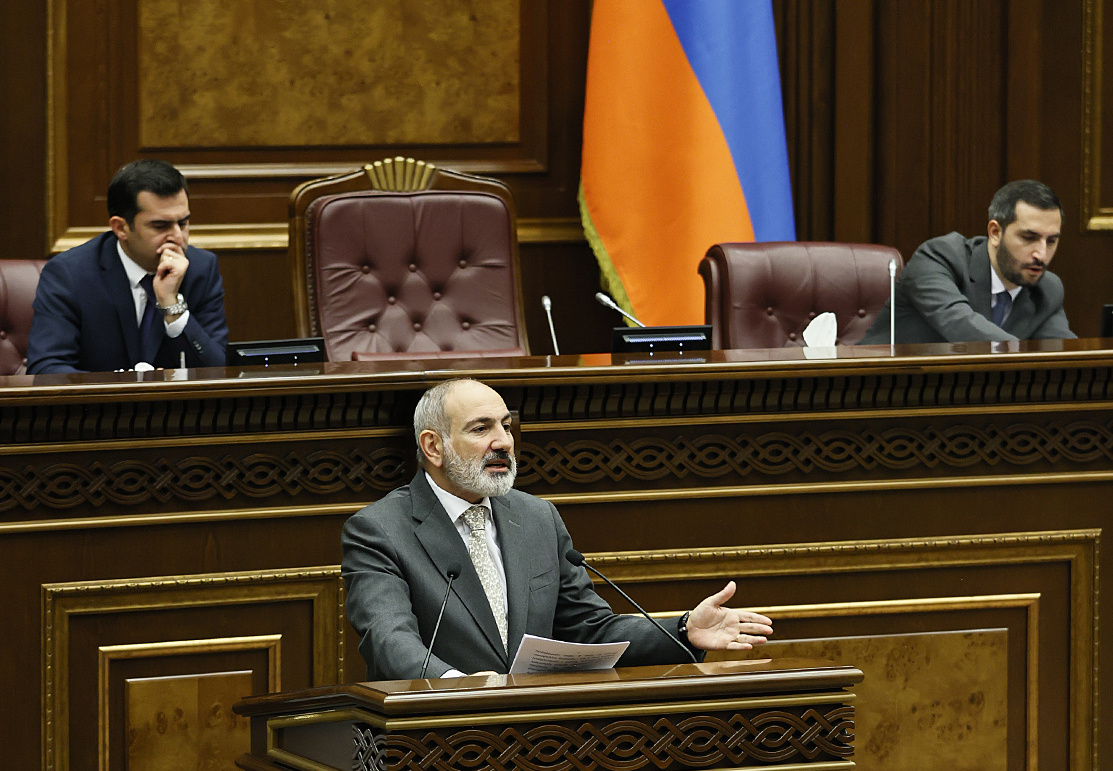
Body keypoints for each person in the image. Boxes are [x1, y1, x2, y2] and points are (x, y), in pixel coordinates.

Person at [342, 376, 774, 680]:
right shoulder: (379, 531)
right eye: (481, 428)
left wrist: (682, 629)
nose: (503, 441)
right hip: (434, 739)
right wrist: (460, 689)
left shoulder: (536, 518)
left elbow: (590, 629)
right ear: (433, 446)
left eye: (506, 426)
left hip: (541, 737)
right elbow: (389, 641)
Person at [27, 160, 228, 374]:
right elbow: (45, 370)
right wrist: (121, 386)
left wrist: (172, 306)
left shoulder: (200, 269)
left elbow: (218, 371)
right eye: (160, 226)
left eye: (183, 223)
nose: (178, 237)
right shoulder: (70, 274)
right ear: (121, 228)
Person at [860, 180, 1075, 345]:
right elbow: (961, 326)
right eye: (1029, 238)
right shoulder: (939, 258)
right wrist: (1028, 357)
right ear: (995, 232)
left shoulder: (1047, 289)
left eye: (1051, 241)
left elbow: (1066, 354)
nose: (1041, 254)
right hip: (883, 383)